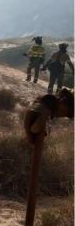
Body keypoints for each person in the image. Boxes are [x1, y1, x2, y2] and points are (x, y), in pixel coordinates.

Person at [23, 88, 73, 226]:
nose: (63, 116)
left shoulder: (47, 104)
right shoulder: (46, 109)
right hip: (34, 131)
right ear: (62, 103)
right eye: (65, 112)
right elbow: (34, 128)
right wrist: (36, 131)